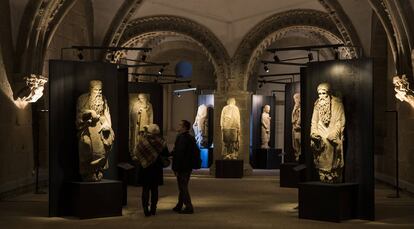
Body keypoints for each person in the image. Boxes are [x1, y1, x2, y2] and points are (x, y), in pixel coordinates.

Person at [76, 80, 114, 182]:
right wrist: (89, 112)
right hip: (87, 127)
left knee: (105, 146)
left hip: (100, 126)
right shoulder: (83, 99)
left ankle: (98, 170)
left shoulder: (103, 99)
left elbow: (107, 114)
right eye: (96, 90)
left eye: (100, 90)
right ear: (91, 89)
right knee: (87, 145)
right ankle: (88, 172)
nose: (98, 93)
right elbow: (79, 114)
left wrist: (107, 125)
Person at [310, 83, 345, 183]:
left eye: (323, 93)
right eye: (319, 94)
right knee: (319, 144)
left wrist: (334, 133)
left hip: (332, 130)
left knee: (330, 145)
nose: (321, 96)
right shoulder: (317, 104)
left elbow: (339, 121)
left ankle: (331, 173)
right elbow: (314, 121)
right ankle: (322, 172)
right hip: (320, 131)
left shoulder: (337, 103)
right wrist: (313, 132)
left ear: (328, 93)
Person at [133, 123, 168, 217]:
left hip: (145, 168)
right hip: (156, 169)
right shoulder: (161, 142)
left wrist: (144, 159)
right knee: (154, 190)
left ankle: (145, 209)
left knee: (145, 189)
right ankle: (153, 209)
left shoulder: (143, 140)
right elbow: (166, 154)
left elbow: (136, 152)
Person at [171, 120, 196, 214]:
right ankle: (179, 205)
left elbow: (179, 154)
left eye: (180, 125)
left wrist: (175, 168)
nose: (178, 126)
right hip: (188, 166)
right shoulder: (190, 137)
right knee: (183, 187)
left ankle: (189, 207)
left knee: (183, 187)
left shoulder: (181, 138)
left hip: (182, 167)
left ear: (184, 127)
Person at [292, 93, 301, 161]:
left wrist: (298, 123)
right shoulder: (295, 106)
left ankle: (299, 154)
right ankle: (297, 154)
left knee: (298, 140)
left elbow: (300, 116)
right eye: (294, 99)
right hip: (294, 126)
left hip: (298, 127)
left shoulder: (300, 107)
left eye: (296, 98)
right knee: (295, 142)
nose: (295, 100)